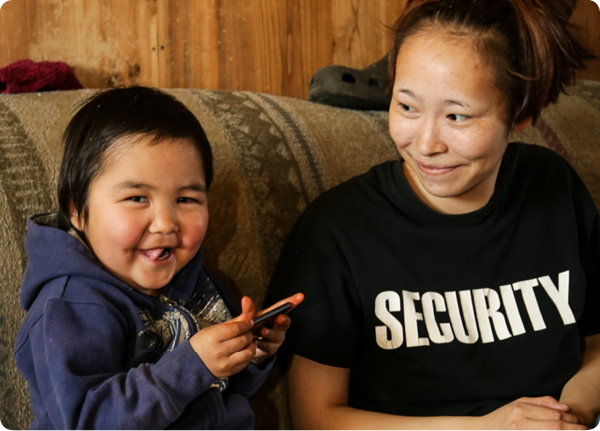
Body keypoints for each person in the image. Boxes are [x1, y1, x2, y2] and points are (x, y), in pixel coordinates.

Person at [264, 0, 600, 430]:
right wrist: (486, 428)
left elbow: (595, 342)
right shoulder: (335, 233)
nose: (426, 144)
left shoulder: (553, 186)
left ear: (521, 113)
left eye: (457, 116)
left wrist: (568, 414)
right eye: (407, 107)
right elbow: (318, 418)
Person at [13, 86, 303, 431]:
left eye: (186, 200)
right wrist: (192, 365)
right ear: (77, 210)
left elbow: (225, 393)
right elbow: (89, 423)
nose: (166, 224)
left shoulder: (205, 287)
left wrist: (251, 357)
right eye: (137, 198)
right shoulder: (70, 307)